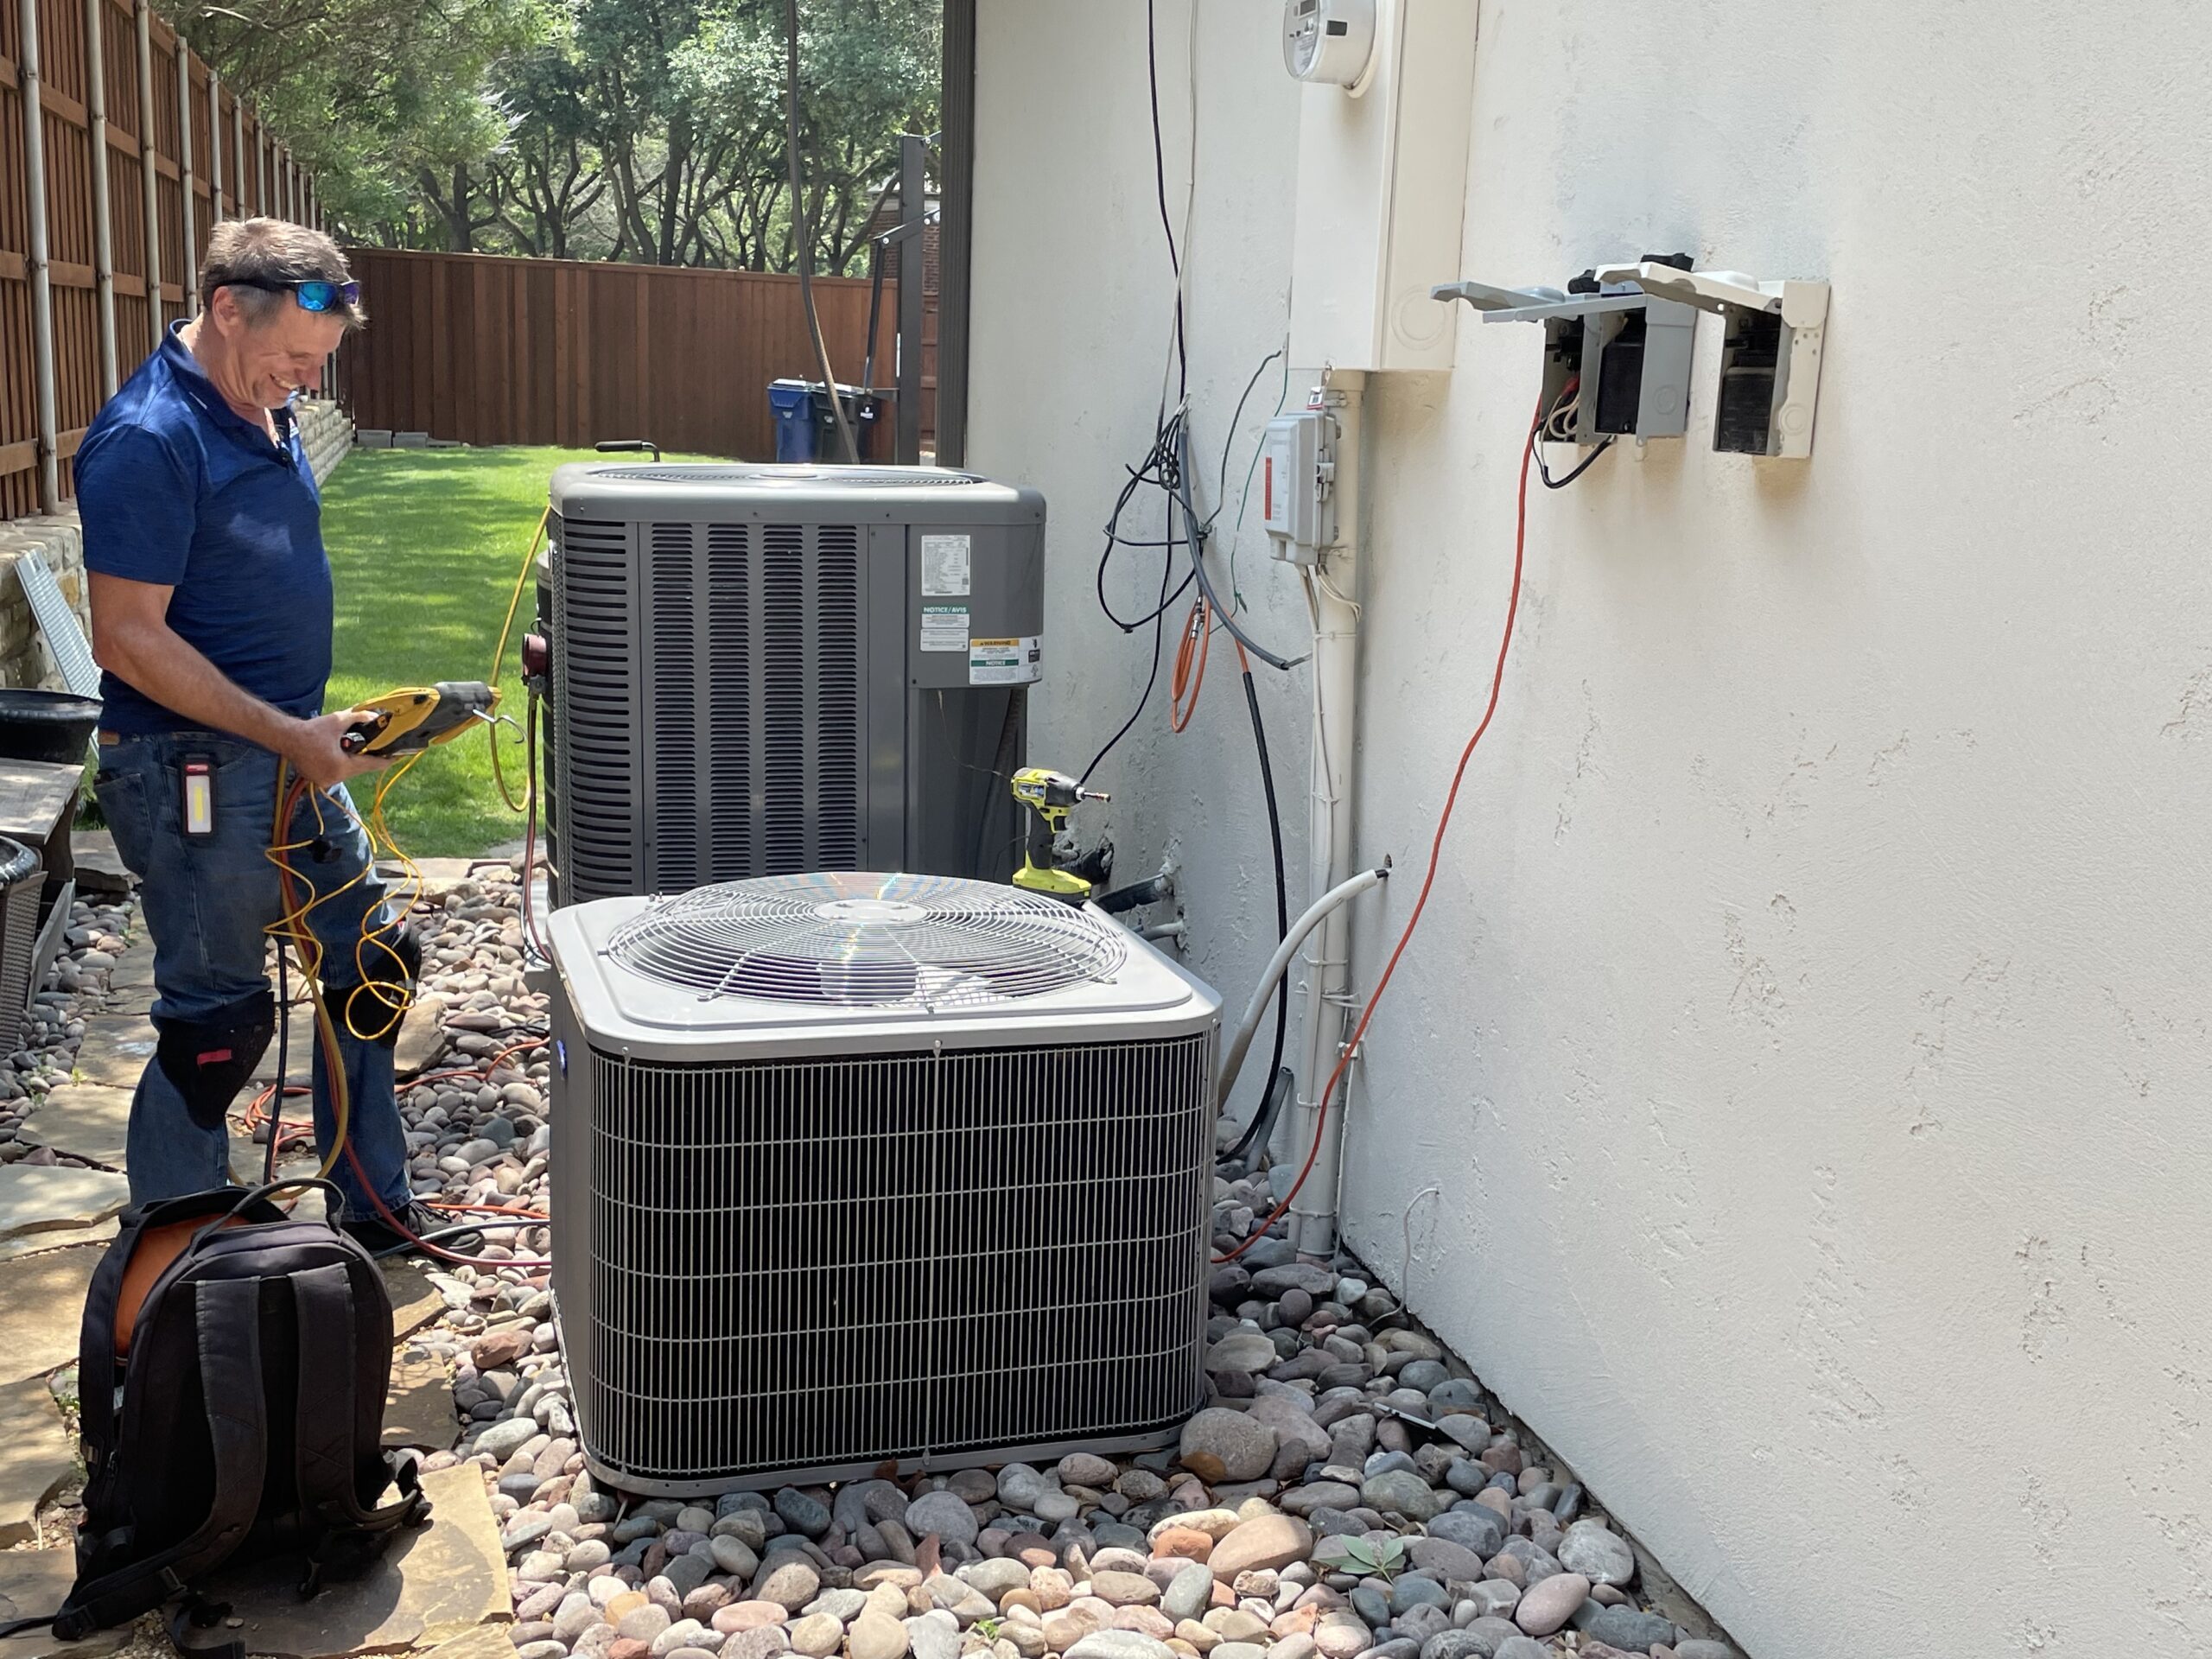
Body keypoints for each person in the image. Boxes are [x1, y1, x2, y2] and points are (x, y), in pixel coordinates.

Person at [73, 218, 456, 1255]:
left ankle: (370, 1209)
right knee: (218, 1018)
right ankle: (178, 1258)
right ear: (226, 308)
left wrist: (311, 735)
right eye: (292, 358)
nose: (302, 383)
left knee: (372, 956)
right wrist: (292, 735)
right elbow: (127, 638)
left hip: (286, 756)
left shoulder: (261, 406)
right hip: (186, 768)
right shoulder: (150, 438)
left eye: (317, 365)